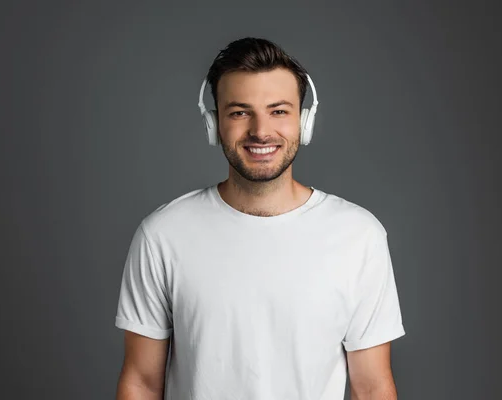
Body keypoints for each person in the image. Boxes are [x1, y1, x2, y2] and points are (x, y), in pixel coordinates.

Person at [114, 37, 406, 400]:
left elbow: (373, 388)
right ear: (214, 123)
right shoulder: (163, 235)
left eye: (279, 111)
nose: (261, 131)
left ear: (305, 120)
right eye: (239, 112)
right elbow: (140, 382)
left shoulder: (359, 236)